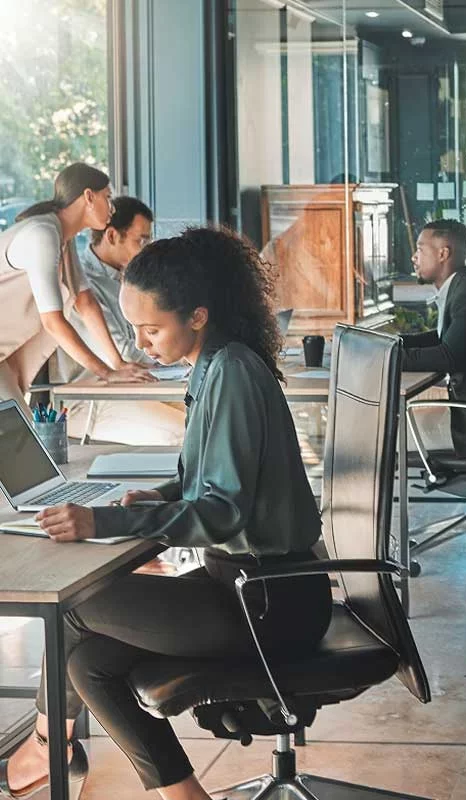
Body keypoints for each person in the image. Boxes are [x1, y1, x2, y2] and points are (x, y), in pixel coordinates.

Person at [0, 227, 333, 800]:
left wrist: (102, 522)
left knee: (73, 608)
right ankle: (182, 795)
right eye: (133, 328)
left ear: (198, 315)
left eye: (151, 329)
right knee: (89, 664)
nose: (141, 343)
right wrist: (161, 493)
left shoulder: (230, 372)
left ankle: (44, 750)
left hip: (268, 601)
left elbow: (223, 512)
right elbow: (208, 475)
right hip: (250, 588)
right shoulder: (214, 365)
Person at [0, 163, 151, 418]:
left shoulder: (62, 238)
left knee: (19, 438)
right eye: (108, 197)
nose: (112, 208)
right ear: (88, 197)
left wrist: (117, 364)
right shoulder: (42, 235)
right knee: (18, 438)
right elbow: (53, 322)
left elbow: (85, 301)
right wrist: (106, 373)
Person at [58, 196, 186, 446]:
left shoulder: (127, 279)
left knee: (213, 420)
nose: (146, 248)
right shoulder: (85, 286)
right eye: (141, 240)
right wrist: (180, 351)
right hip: (94, 399)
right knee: (183, 434)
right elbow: (123, 353)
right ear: (112, 236)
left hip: (137, 385)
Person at [404, 219, 466, 456]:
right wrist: (393, 344)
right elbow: (444, 338)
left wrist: (388, 358)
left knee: (382, 434)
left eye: (421, 249)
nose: (415, 257)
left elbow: (448, 356)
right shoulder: (464, 285)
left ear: (443, 253)